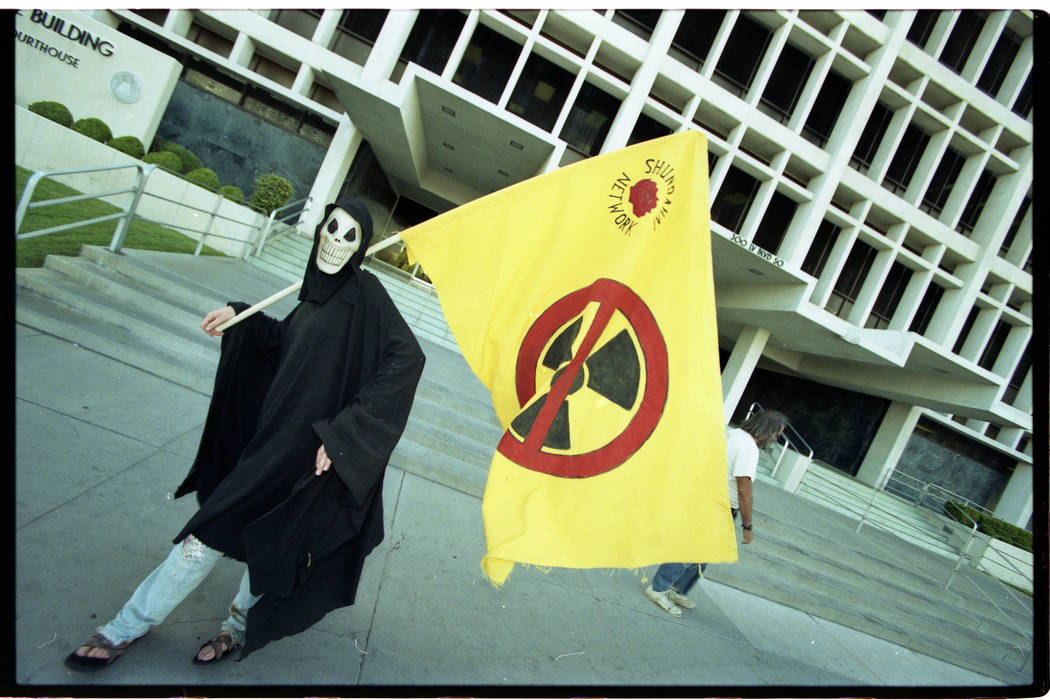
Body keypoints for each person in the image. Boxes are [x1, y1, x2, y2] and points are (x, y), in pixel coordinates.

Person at [65, 197, 426, 670]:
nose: (336, 241)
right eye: (331, 228)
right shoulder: (313, 293)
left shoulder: (367, 294)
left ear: (360, 248)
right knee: (206, 536)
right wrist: (238, 316)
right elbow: (283, 344)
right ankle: (128, 625)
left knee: (269, 547)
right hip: (270, 444)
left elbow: (407, 359)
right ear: (319, 230)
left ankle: (226, 630)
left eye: (349, 235)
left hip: (310, 455)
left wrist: (345, 436)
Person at [644, 409, 789, 618]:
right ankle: (658, 589)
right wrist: (747, 526)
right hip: (716, 506)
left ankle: (677, 588)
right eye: (776, 434)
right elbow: (744, 490)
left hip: (705, 498)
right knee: (688, 550)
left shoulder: (733, 434)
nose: (775, 440)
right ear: (767, 431)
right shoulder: (748, 449)